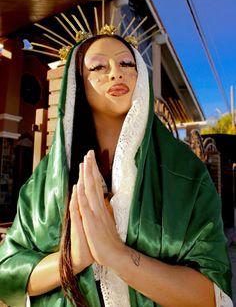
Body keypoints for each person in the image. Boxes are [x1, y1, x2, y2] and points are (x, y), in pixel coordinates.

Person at [0, 29, 233, 307]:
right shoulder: (45, 184)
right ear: (78, 84)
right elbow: (8, 271)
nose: (115, 73)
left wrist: (116, 255)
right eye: (98, 66)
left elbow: (213, 293)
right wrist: (72, 259)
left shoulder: (187, 175)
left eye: (126, 63)